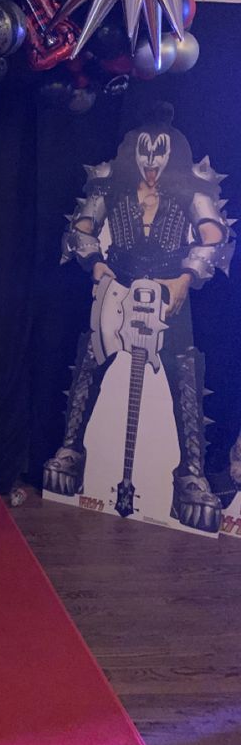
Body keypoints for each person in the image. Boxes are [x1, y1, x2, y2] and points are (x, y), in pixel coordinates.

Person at [45, 103, 234, 533]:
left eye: (160, 154)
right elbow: (81, 228)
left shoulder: (192, 188)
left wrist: (185, 278)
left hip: (170, 291)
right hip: (119, 282)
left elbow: (216, 236)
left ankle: (190, 473)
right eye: (145, 153)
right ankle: (71, 449)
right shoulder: (110, 185)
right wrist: (96, 265)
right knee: (92, 355)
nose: (152, 164)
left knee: (183, 370)